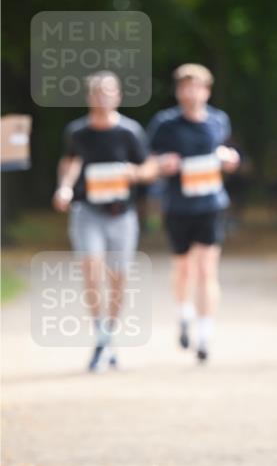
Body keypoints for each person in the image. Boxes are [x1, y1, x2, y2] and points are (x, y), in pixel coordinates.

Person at [52, 71, 154, 372]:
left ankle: (110, 335)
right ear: (89, 97)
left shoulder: (130, 131)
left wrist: (133, 173)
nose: (103, 98)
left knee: (118, 278)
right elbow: (70, 162)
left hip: (122, 214)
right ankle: (100, 335)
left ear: (118, 96)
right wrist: (64, 187)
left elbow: (148, 167)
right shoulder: (78, 132)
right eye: (97, 92)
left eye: (109, 92)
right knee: (91, 269)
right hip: (87, 211)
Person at [146, 63, 240, 363]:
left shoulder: (218, 121)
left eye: (197, 86)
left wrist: (230, 160)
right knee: (183, 267)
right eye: (185, 87)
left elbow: (228, 154)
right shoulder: (164, 124)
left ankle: (205, 334)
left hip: (211, 204)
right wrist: (163, 164)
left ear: (206, 91)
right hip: (178, 205)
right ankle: (183, 312)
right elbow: (149, 161)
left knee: (206, 269)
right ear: (178, 91)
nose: (191, 92)